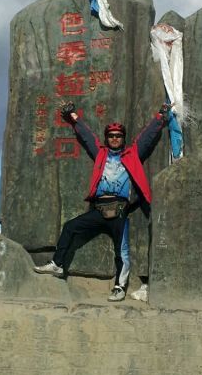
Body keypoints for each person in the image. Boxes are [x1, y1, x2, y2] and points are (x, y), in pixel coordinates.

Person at [34, 101, 169, 301]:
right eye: (111, 136)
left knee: (122, 251)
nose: (114, 138)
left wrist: (160, 117)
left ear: (123, 138)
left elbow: (146, 137)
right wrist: (73, 117)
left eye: (118, 136)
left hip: (120, 210)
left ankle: (119, 287)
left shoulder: (132, 154)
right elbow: (87, 137)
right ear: (107, 138)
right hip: (98, 209)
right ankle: (57, 264)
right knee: (70, 227)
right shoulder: (101, 154)